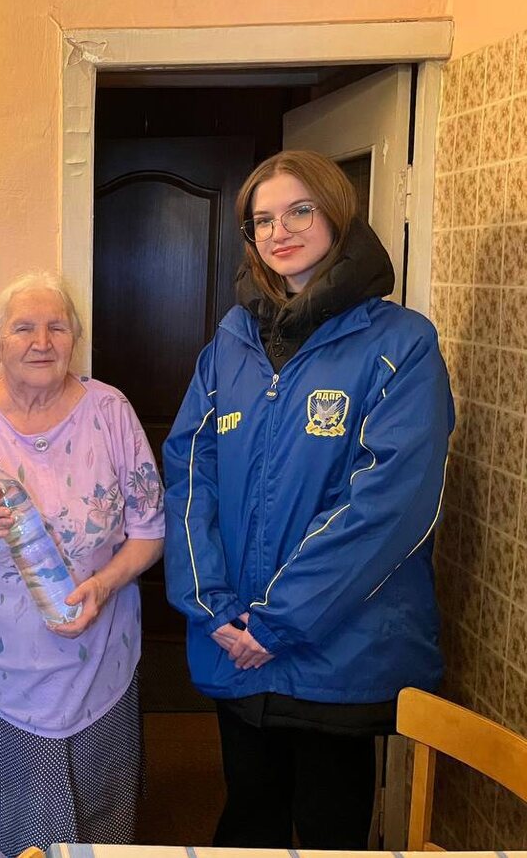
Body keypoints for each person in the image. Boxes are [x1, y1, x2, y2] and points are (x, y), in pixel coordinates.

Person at [163, 150, 452, 849]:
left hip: (339, 652)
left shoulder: (400, 343)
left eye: (299, 211)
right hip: (235, 640)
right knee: (249, 821)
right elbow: (190, 473)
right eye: (262, 220)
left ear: (337, 214)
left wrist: (278, 624)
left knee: (330, 833)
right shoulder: (230, 341)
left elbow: (388, 507)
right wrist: (213, 607)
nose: (279, 231)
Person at [0, 272, 165, 858]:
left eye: (57, 327)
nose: (41, 342)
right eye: (23, 328)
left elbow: (150, 532)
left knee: (99, 836)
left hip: (98, 668)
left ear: (75, 338)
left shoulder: (111, 411)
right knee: (1, 836)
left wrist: (104, 584)